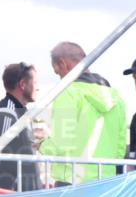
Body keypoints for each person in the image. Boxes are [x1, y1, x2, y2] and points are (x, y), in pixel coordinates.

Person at [40, 41, 127, 185]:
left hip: (71, 181)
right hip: (106, 181)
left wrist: (42, 146)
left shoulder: (68, 92)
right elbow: (120, 149)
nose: (59, 77)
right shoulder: (117, 98)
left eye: (57, 72)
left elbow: (61, 143)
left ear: (63, 64)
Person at [0, 62, 42, 192]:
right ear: (22, 84)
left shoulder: (20, 112)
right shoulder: (5, 113)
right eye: (35, 82)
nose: (38, 88)